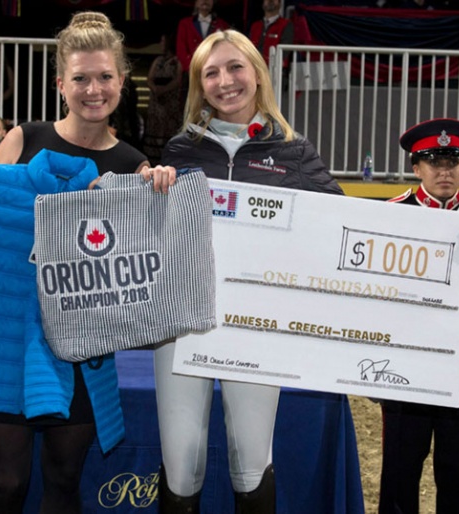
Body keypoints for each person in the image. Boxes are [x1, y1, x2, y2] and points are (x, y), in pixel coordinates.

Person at [0, 11, 176, 514]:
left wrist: (163, 192)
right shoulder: (24, 138)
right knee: (7, 483)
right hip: (8, 341)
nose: (93, 89)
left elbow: (150, 266)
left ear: (123, 81)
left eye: (105, 77)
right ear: (61, 83)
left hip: (82, 352)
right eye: (81, 78)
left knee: (63, 480)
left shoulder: (133, 167)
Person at [155, 29, 343, 513]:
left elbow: (351, 228)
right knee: (181, 462)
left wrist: (453, 239)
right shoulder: (180, 149)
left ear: (257, 74)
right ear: (200, 84)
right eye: (210, 72)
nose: (225, 81)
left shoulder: (295, 152)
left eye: (235, 67)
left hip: (256, 325)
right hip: (184, 323)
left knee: (251, 462)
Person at [379, 118, 459, 514]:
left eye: (454, 161)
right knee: (400, 466)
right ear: (416, 167)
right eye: (433, 161)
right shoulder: (390, 215)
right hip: (406, 359)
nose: (445, 170)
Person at [143, 33, 183, 166]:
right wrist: (154, 88)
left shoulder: (177, 61)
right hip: (156, 105)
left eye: (163, 41)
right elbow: (149, 78)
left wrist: (164, 90)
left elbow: (178, 80)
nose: (161, 44)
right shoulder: (158, 61)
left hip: (170, 106)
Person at [176, 0, 229, 101]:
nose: (205, 1)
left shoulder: (222, 25)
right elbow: (181, 52)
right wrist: (196, 69)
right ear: (195, 3)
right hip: (191, 74)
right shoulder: (185, 24)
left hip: (215, 75)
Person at [248, 0, 293, 67]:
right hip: (255, 69)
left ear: (280, 3)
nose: (270, 0)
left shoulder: (286, 25)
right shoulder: (255, 26)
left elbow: (284, 52)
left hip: (275, 71)